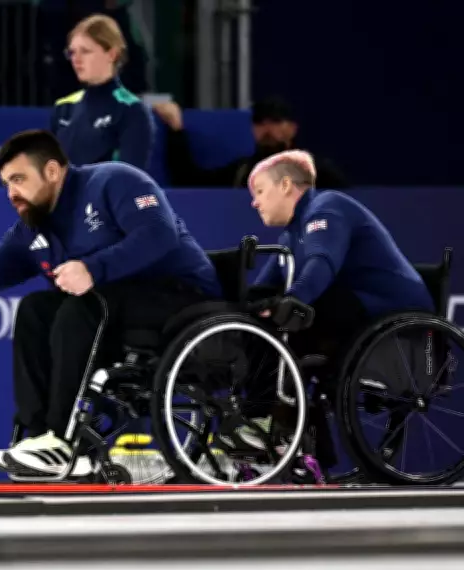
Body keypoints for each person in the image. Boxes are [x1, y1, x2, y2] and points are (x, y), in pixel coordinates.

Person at [0, 129, 222, 478]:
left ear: (52, 171)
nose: (11, 193)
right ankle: (38, 437)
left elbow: (159, 233)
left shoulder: (114, 180)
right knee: (35, 309)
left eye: (19, 179)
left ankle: (61, 440)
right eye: (6, 183)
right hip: (117, 312)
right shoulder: (35, 228)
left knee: (81, 306)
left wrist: (93, 268)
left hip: (184, 299)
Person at [225, 149, 434, 469]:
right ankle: (301, 444)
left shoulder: (328, 207)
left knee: (287, 320)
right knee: (264, 319)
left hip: (388, 308)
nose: (254, 202)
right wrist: (234, 313)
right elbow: (263, 290)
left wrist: (292, 300)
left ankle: (264, 423)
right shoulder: (291, 233)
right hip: (352, 308)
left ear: (285, 185)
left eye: (260, 192)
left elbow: (321, 263)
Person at [152, 96, 348, 189]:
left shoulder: (318, 172)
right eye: (260, 123)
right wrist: (176, 129)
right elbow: (191, 181)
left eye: (276, 122)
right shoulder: (242, 172)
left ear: (292, 128)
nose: (267, 129)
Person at [49, 14, 155, 172]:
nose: (76, 60)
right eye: (72, 52)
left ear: (112, 54)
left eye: (85, 51)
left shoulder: (131, 110)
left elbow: (128, 179)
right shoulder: (64, 107)